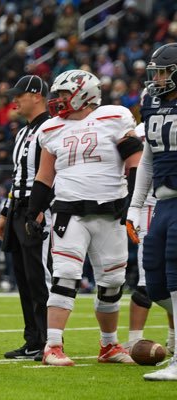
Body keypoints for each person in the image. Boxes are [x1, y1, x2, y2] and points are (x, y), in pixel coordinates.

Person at [26, 69, 143, 366]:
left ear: (85, 94)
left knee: (113, 282)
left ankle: (109, 345)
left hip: (110, 211)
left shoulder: (113, 117)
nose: (59, 100)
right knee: (65, 278)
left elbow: (135, 162)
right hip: (69, 213)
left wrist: (135, 204)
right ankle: (52, 345)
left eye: (64, 93)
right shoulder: (51, 128)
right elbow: (44, 176)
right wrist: (34, 211)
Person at [126, 43, 177, 381]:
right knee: (155, 279)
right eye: (156, 72)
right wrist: (134, 205)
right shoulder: (152, 103)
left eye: (164, 72)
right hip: (163, 202)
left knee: (175, 270)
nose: (158, 79)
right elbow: (147, 158)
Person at [0, 75, 52, 361]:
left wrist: (41, 208)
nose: (14, 100)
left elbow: (53, 174)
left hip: (38, 207)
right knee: (23, 277)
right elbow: (19, 176)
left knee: (39, 276)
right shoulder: (22, 132)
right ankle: (33, 340)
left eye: (20, 95)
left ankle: (49, 340)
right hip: (18, 207)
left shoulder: (51, 128)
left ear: (37, 95)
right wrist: (6, 211)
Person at [124, 122, 174, 354]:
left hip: (164, 201)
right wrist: (133, 206)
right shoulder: (146, 124)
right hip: (150, 203)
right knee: (151, 281)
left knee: (172, 278)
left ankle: (173, 338)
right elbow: (141, 163)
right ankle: (135, 339)